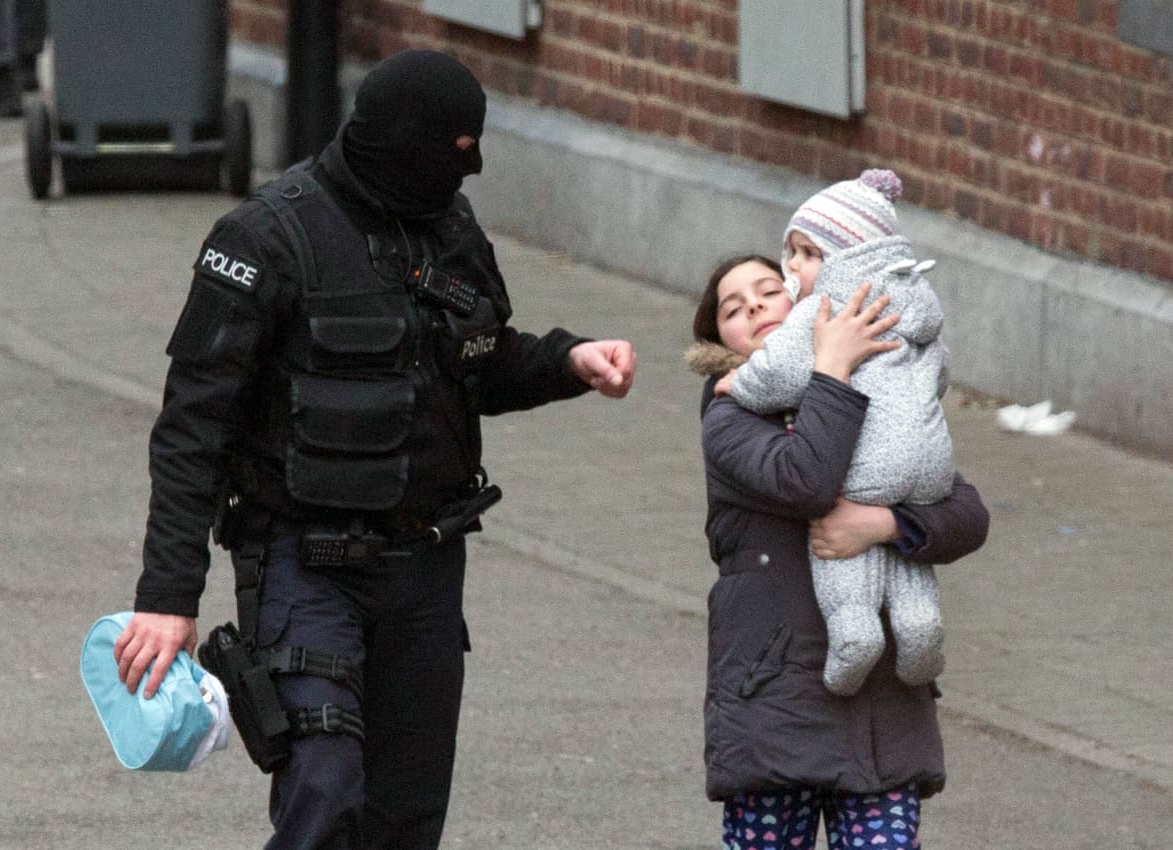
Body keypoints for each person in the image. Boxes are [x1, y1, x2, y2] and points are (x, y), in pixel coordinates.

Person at [112, 49, 636, 850]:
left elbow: (476, 364)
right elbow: (191, 429)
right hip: (303, 563)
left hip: (426, 567)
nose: (467, 173)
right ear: (399, 144)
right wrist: (168, 595)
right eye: (453, 154)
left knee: (405, 817)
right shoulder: (263, 238)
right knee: (324, 787)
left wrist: (567, 361)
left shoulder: (450, 225)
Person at [687, 254, 988, 848]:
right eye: (731, 307)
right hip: (775, 705)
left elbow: (968, 514)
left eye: (768, 291)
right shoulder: (728, 416)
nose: (751, 306)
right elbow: (807, 480)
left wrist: (885, 524)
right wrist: (830, 366)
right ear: (717, 335)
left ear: (804, 300)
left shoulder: (884, 393)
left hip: (881, 710)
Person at [722, 170, 954, 696]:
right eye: (733, 309)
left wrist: (744, 382)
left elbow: (778, 378)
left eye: (806, 254)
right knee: (903, 576)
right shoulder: (913, 301)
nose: (793, 272)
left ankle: (854, 633)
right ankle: (920, 632)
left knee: (839, 537)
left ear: (846, 253)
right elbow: (940, 372)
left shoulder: (822, 311)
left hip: (872, 469)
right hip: (929, 458)